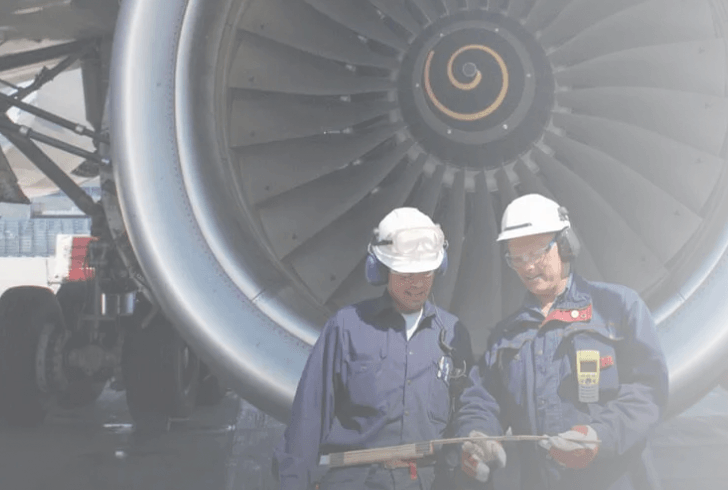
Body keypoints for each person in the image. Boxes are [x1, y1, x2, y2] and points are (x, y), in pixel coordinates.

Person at [453, 194, 669, 489]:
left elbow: (648, 391)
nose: (528, 268)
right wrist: (478, 436)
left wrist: (599, 437)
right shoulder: (506, 336)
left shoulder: (619, 308)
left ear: (566, 245)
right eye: (517, 258)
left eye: (537, 253)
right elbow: (482, 400)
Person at [273, 207, 474, 490]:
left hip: (428, 481)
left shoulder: (453, 333)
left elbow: (471, 408)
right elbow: (309, 416)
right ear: (381, 270)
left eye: (426, 273)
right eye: (406, 274)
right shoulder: (346, 327)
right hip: (355, 481)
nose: (417, 284)